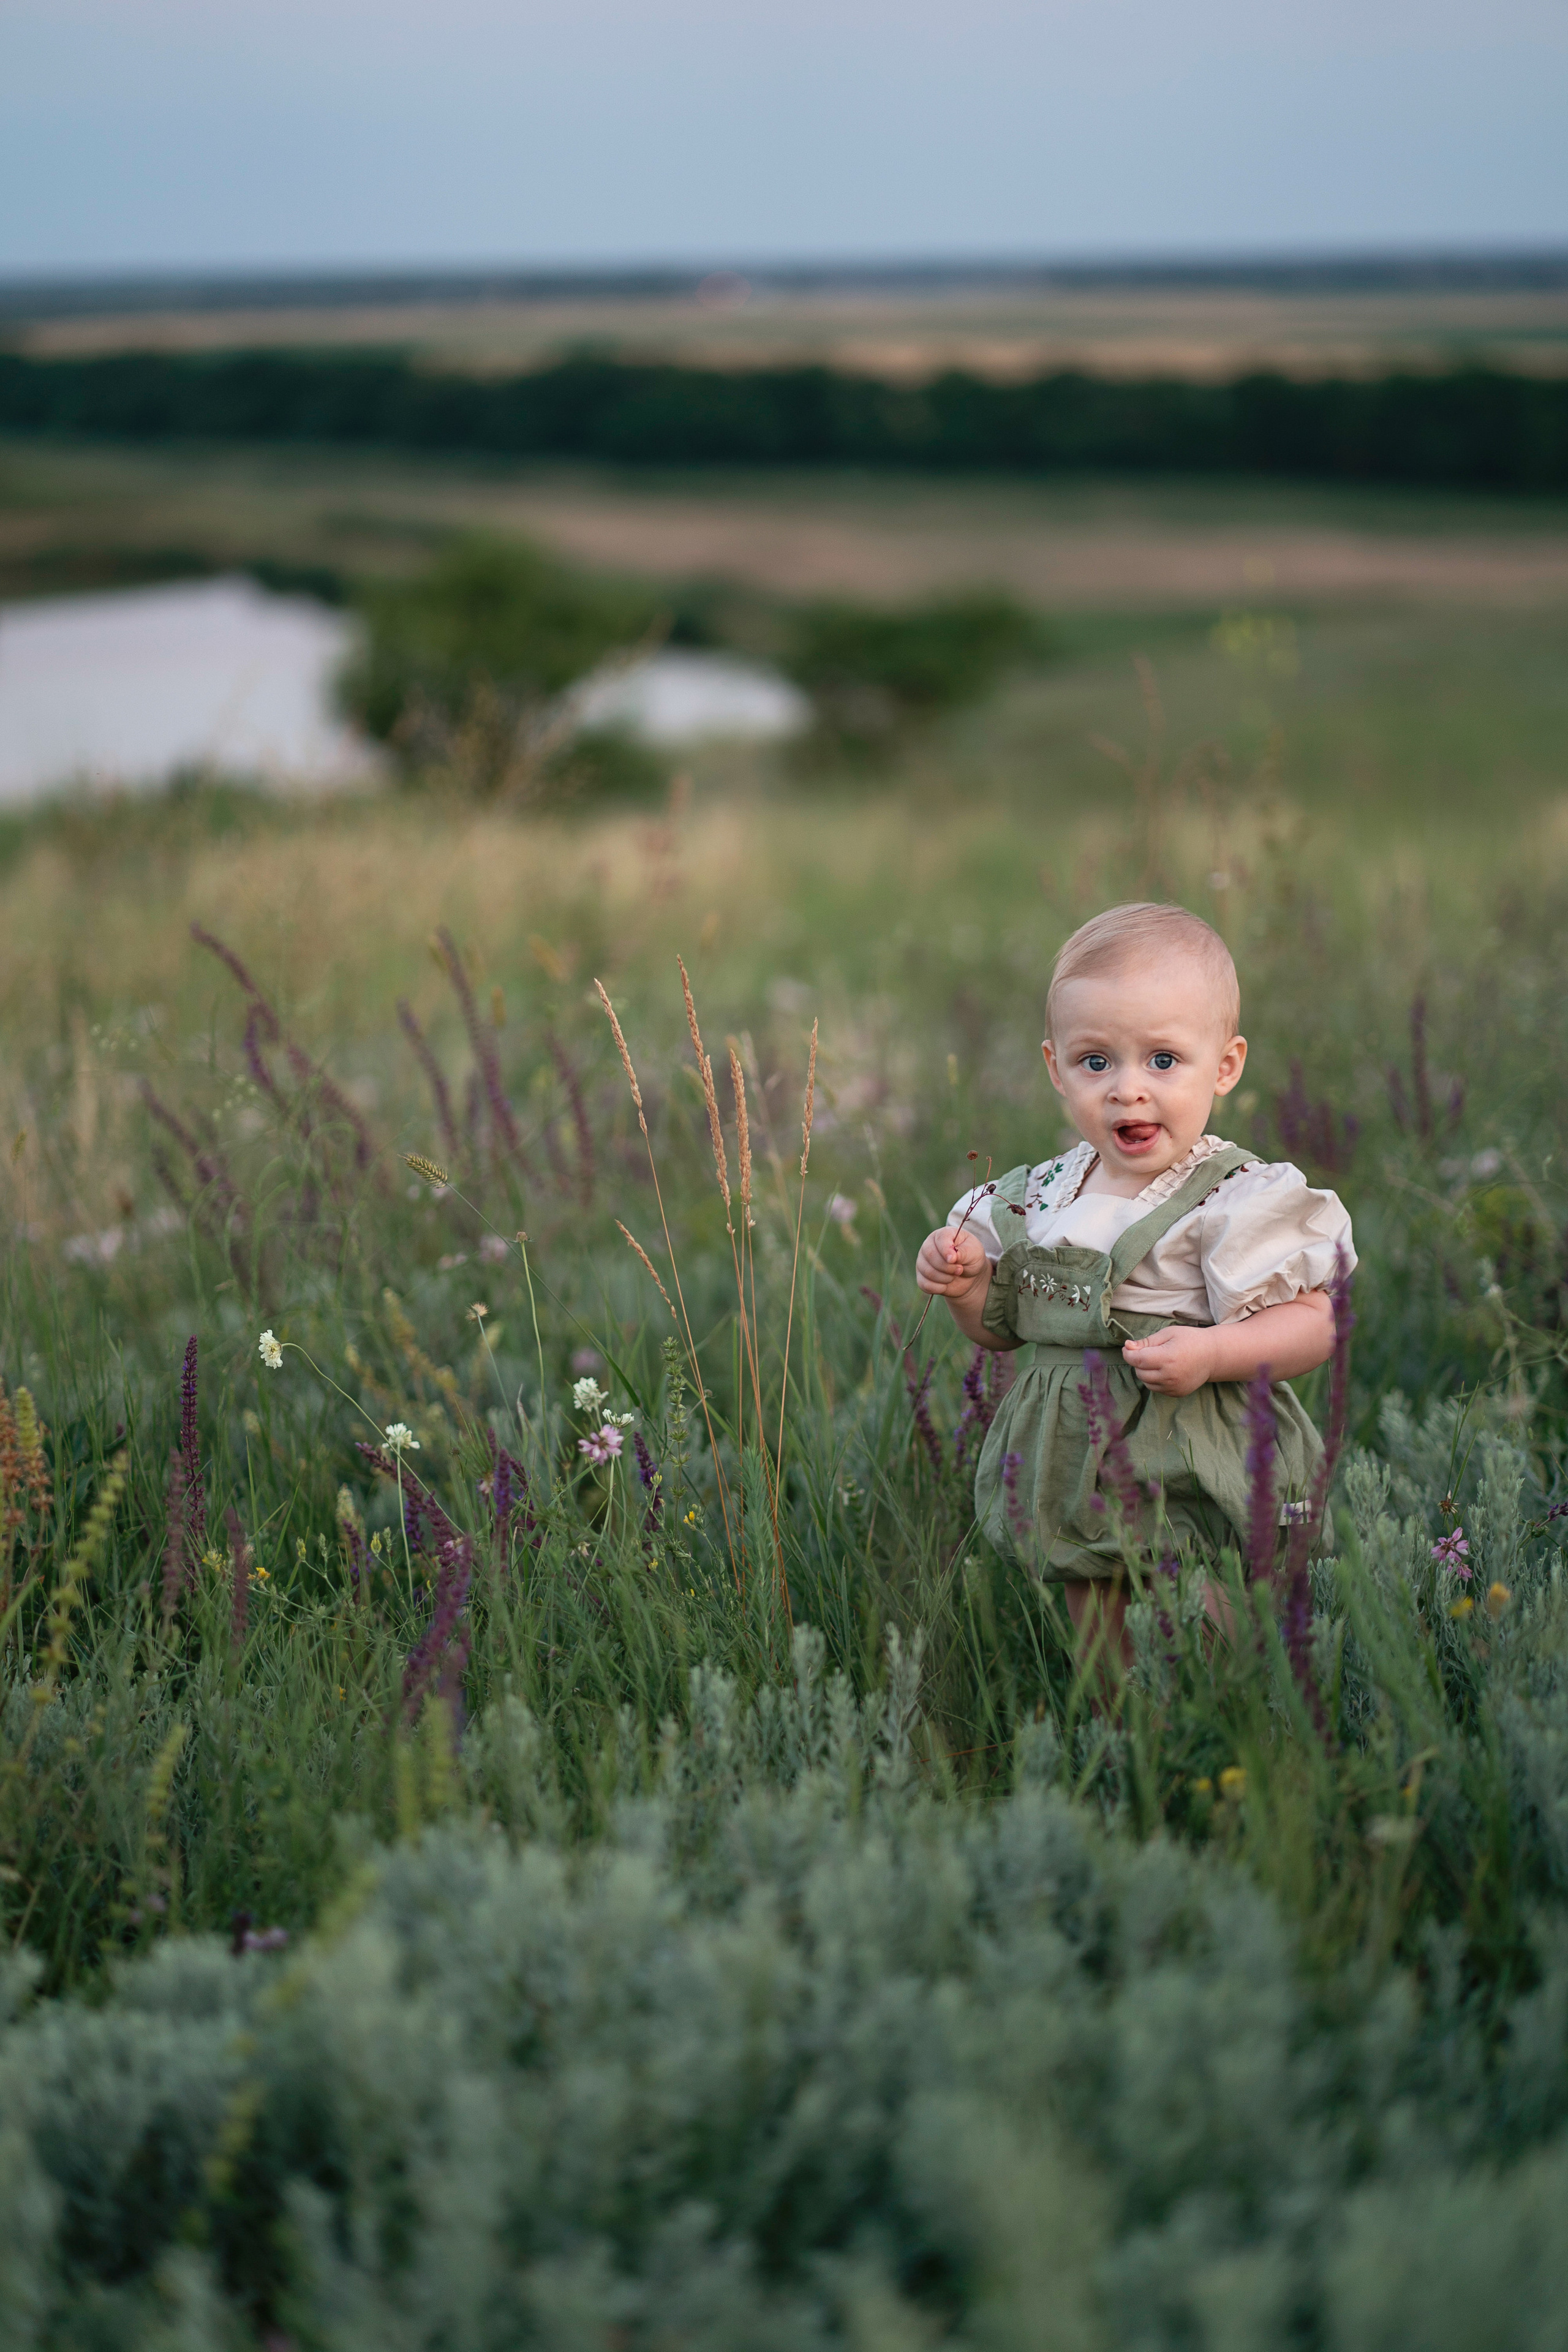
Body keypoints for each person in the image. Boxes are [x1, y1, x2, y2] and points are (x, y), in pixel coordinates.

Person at [914, 901, 1354, 1654]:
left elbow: (1317, 1323)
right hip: (1072, 1459)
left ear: (1225, 1065)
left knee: (1209, 1603)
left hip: (1195, 1448)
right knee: (1099, 1614)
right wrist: (967, 1288)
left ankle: (1225, 1721)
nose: (1127, 1089)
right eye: (1096, 1062)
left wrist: (1214, 1353)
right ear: (1055, 1067)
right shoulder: (1036, 1198)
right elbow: (1003, 1333)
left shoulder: (1230, 1197)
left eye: (1162, 1060)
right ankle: (1126, 1737)